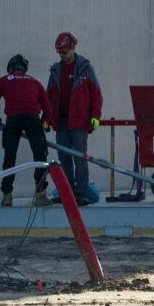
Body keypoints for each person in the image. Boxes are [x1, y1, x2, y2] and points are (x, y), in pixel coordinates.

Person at [45, 30, 103, 206]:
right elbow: (48, 96)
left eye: (64, 52)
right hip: (61, 120)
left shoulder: (86, 69)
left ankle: (81, 192)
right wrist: (46, 118)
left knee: (80, 157)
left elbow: (96, 95)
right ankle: (67, 191)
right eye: (59, 53)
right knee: (64, 157)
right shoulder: (56, 71)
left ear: (73, 48)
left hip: (79, 121)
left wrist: (95, 116)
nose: (62, 55)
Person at [0, 53, 50, 206]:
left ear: (10, 69)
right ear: (24, 69)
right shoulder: (34, 82)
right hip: (33, 118)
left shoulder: (3, 81)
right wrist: (43, 123)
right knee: (40, 156)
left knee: (9, 156)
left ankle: (7, 195)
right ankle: (40, 195)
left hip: (13, 120)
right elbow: (48, 107)